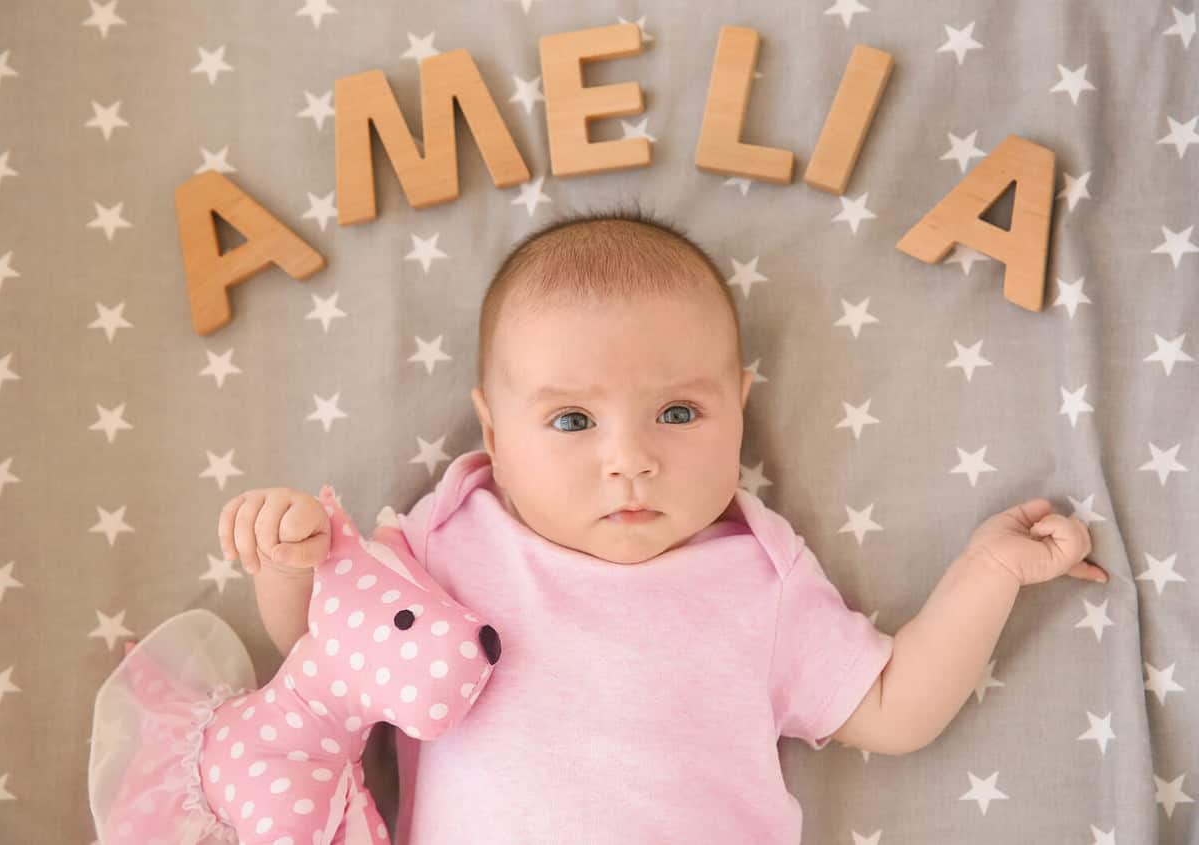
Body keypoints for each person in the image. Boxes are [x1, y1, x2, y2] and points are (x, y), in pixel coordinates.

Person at [218, 203, 1108, 843]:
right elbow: (319, 649)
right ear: (493, 430)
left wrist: (987, 575)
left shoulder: (758, 579)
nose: (630, 459)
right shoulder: (452, 537)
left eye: (678, 413)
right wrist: (288, 557)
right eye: (572, 421)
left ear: (740, 408)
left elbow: (893, 707)